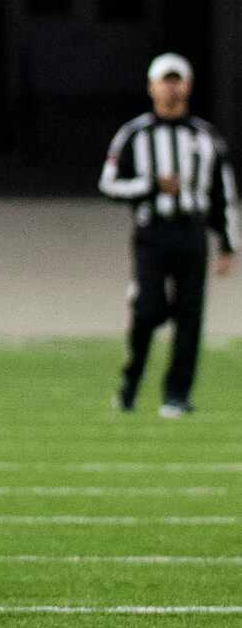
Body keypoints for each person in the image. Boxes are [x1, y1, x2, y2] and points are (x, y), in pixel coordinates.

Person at [100, 52, 237, 417]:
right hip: (152, 234)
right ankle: (131, 381)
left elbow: (223, 194)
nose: (171, 87)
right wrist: (151, 186)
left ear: (187, 86)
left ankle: (176, 395)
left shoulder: (205, 137)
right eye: (165, 80)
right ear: (151, 86)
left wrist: (227, 242)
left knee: (190, 317)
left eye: (177, 80)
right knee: (148, 310)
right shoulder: (134, 134)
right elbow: (109, 184)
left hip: (191, 234)